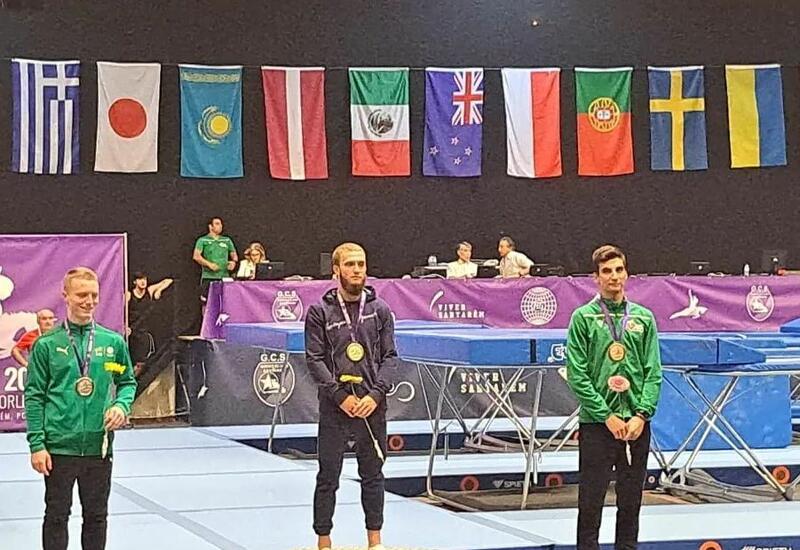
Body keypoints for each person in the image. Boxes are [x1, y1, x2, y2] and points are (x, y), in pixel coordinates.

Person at [25, 267, 137, 550]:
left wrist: (121, 405)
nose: (89, 301)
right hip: (59, 448)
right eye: (82, 295)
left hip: (99, 447)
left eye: (94, 295)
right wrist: (37, 444)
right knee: (56, 516)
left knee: (97, 518)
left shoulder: (111, 344)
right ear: (65, 296)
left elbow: (126, 381)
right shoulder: (47, 345)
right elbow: (35, 396)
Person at [565, 245, 662, 550]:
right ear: (596, 278)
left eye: (619, 270)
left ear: (626, 274)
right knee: (590, 501)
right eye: (606, 271)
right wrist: (606, 415)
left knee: (630, 503)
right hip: (598, 424)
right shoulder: (583, 318)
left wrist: (641, 414)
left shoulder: (644, 318)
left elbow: (653, 372)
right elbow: (577, 375)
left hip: (635, 425)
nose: (614, 276)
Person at [305, 242, 397, 550]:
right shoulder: (320, 311)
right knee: (328, 476)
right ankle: (324, 541)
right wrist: (340, 396)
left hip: (371, 406)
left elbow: (390, 357)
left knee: (373, 475)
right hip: (336, 407)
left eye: (361, 264)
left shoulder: (380, 310)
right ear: (336, 270)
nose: (357, 270)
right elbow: (314, 359)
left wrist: (375, 395)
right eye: (350, 264)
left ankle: (375, 542)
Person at [126, 272, 173, 377]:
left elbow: (168, 281)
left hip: (143, 332)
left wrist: (159, 290)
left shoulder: (150, 291)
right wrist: (125, 327)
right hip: (131, 332)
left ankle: (133, 379)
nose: (143, 282)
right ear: (135, 282)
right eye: (140, 279)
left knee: (141, 362)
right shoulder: (129, 295)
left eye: (145, 279)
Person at [192, 216, 238, 304]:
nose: (220, 226)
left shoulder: (226, 240)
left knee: (225, 302)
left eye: (221, 224)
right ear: (210, 226)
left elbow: (234, 255)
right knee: (207, 302)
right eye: (217, 224)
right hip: (209, 276)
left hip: (224, 276)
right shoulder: (203, 240)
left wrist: (233, 262)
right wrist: (209, 264)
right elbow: (196, 256)